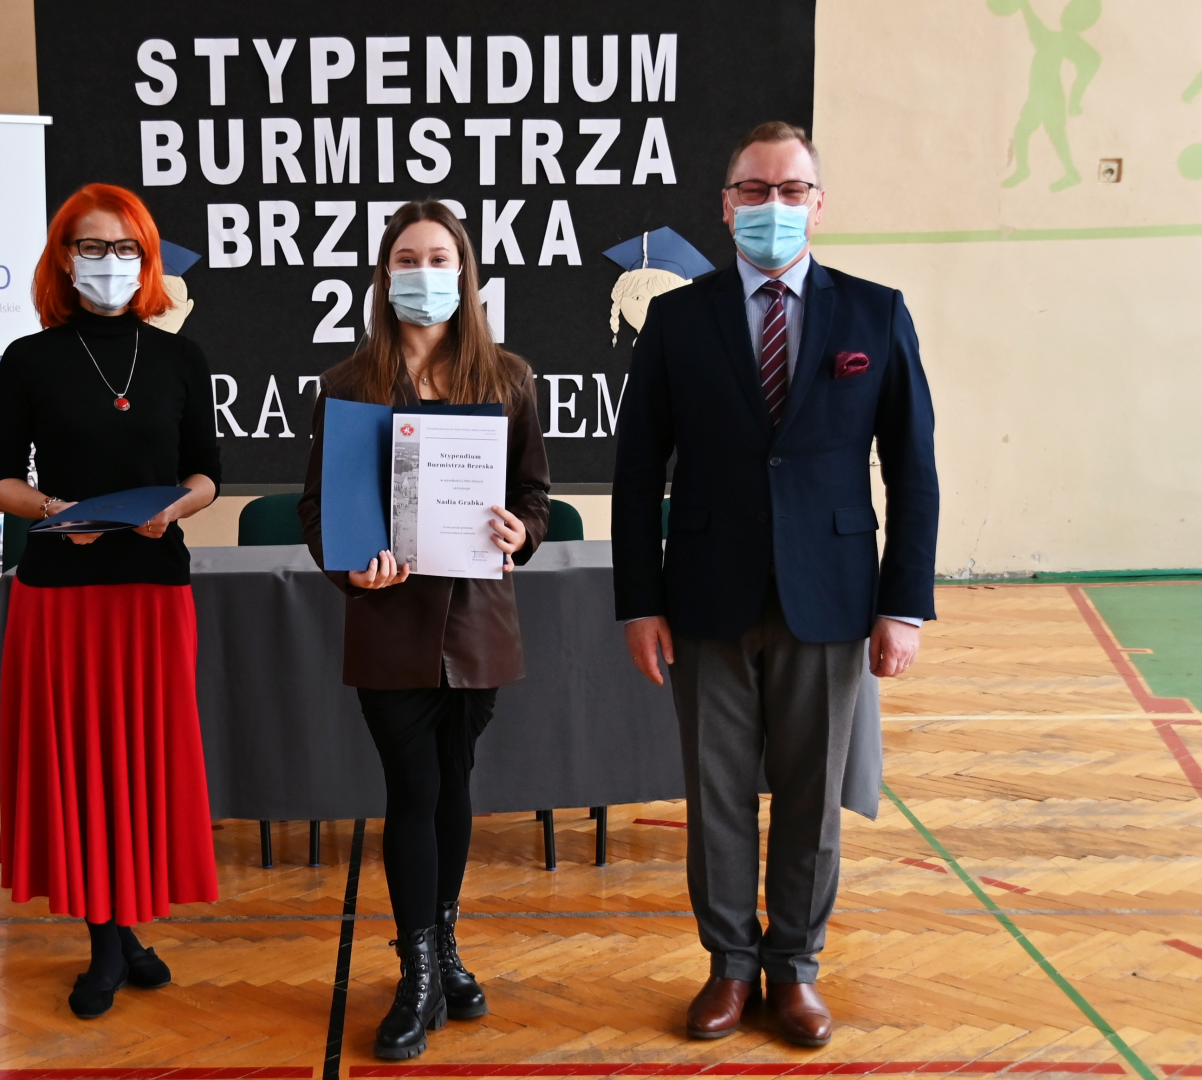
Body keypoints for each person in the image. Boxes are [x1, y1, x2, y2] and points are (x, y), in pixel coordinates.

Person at [611, 123, 938, 1046]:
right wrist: (638, 601)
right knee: (716, 798)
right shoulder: (677, 318)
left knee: (809, 799)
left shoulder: (874, 313)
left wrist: (902, 604)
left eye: (790, 190)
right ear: (725, 207)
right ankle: (727, 965)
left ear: (817, 205)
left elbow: (911, 469)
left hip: (830, 598)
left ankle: (794, 968)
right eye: (752, 190)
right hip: (703, 596)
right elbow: (636, 473)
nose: (771, 205)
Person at [298, 201, 551, 1060]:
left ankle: (444, 949)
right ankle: (414, 971)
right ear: (383, 276)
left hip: (477, 624)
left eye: (439, 258)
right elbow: (316, 510)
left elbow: (533, 494)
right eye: (406, 259)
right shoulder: (347, 385)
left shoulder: (507, 378)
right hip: (389, 622)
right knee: (411, 790)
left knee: (455, 783)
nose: (423, 273)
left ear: (464, 272)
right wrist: (350, 569)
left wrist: (521, 530)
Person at [0, 183, 222, 1020]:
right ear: (63, 257)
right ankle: (107, 943)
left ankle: (126, 932)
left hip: (153, 591)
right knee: (81, 768)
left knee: (142, 765)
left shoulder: (180, 358)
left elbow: (206, 474)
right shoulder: (29, 358)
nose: (108, 262)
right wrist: (54, 510)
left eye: (124, 248)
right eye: (91, 246)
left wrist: (175, 508)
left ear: (145, 259)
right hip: (61, 595)